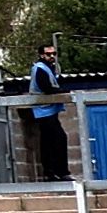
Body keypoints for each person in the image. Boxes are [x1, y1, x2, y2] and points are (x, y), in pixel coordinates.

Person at [23, 43, 71, 182]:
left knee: (51, 140)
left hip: (48, 110)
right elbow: (47, 88)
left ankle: (55, 172)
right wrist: (62, 93)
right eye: (49, 54)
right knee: (56, 140)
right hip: (44, 110)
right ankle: (56, 172)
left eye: (54, 54)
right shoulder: (40, 69)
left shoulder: (48, 69)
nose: (52, 57)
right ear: (41, 55)